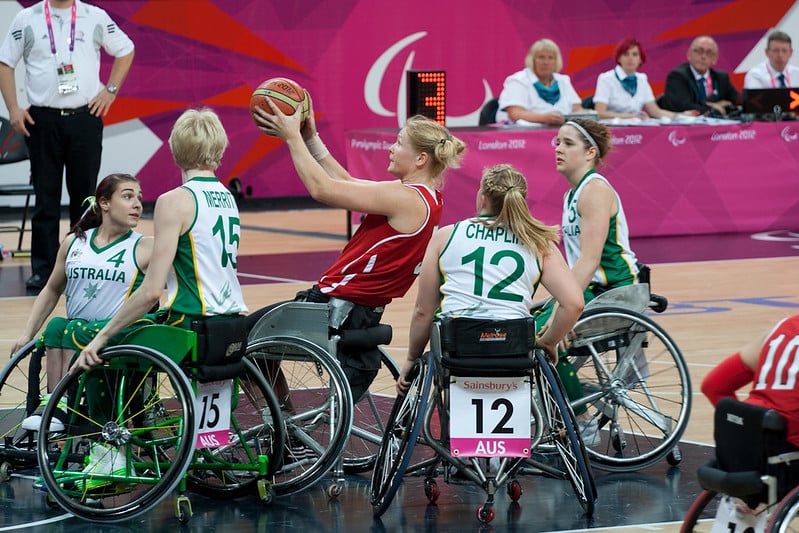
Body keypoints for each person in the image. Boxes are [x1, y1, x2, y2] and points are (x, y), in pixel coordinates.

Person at [252, 99, 466, 405]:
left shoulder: (404, 197)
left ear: (420, 158)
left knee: (240, 345)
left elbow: (322, 189)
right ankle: (286, 429)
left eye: (399, 142)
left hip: (332, 308)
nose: (391, 148)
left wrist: (292, 137)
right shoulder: (427, 198)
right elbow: (348, 184)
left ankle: (281, 428)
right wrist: (311, 138)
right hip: (361, 312)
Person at [75, 107, 247, 370]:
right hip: (232, 321)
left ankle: (69, 407)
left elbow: (152, 290)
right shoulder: (227, 197)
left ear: (175, 149)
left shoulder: (174, 201)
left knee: (81, 335)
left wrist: (102, 336)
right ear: (220, 148)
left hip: (190, 323)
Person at [397, 163, 584, 393]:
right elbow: (574, 303)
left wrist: (411, 359)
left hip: (458, 348)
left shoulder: (446, 236)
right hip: (514, 349)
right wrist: (549, 342)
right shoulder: (539, 243)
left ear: (483, 198)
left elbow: (423, 311)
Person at [0, 0, 135, 293]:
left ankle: (83, 265)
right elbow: (5, 62)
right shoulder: (27, 18)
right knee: (45, 198)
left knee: (85, 198)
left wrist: (110, 91)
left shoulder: (94, 16)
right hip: (42, 119)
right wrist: (13, 108)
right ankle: (44, 271)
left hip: (84, 118)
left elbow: (126, 49)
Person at [10, 173, 152, 431]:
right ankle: (57, 403)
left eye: (139, 198)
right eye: (128, 196)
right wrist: (26, 334)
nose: (138, 204)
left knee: (71, 330)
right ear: (104, 203)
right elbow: (51, 289)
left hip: (117, 334)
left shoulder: (145, 247)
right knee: (55, 326)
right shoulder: (74, 242)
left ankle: (65, 404)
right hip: (79, 332)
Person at [536, 118, 641, 446]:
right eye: (557, 142)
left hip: (615, 292)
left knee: (546, 334)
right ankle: (558, 414)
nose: (558, 149)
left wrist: (562, 311)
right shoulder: (573, 194)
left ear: (590, 152)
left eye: (568, 143)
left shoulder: (594, 190)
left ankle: (581, 424)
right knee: (528, 323)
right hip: (594, 290)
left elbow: (589, 261)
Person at [701, 314, 799, 448]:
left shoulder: (779, 330)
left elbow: (713, 386)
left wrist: (738, 422)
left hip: (744, 444)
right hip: (787, 450)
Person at [593, 38, 687, 120]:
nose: (630, 58)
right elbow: (600, 113)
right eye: (626, 54)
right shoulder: (606, 78)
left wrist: (680, 116)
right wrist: (630, 117)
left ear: (640, 60)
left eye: (635, 54)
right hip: (612, 130)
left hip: (636, 128)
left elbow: (655, 112)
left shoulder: (642, 79)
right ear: (619, 58)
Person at [495, 38, 583, 126]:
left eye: (550, 58)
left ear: (556, 61)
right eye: (541, 57)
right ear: (532, 60)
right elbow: (515, 114)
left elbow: (577, 110)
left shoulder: (563, 81)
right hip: (527, 134)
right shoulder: (518, 80)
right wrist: (544, 118)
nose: (546, 62)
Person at [657, 35, 739, 116]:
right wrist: (715, 108)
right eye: (699, 51)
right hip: (684, 127)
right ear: (689, 54)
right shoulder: (678, 76)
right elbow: (683, 107)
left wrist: (728, 106)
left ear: (715, 58)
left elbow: (737, 100)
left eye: (709, 53)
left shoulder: (721, 77)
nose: (703, 56)